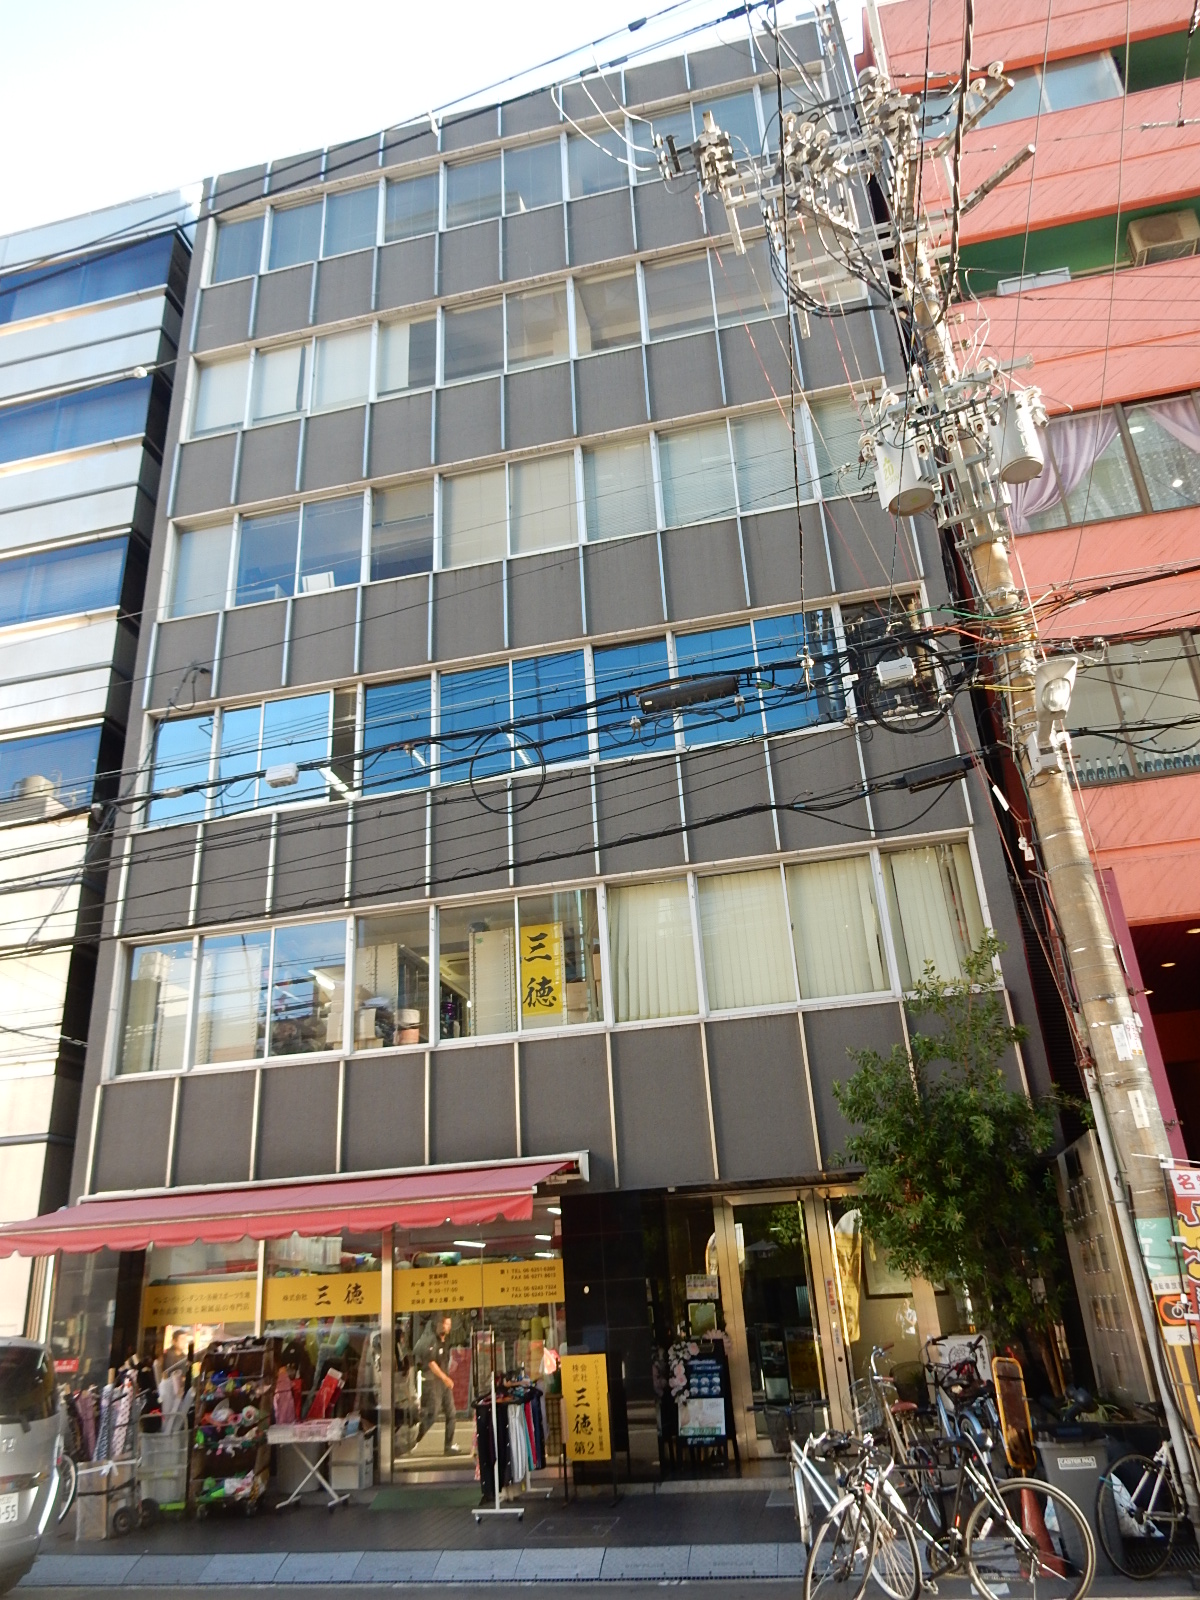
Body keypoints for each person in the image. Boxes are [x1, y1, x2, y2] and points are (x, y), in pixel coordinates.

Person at [413, 1313, 460, 1454]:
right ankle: (415, 1439)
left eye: (449, 1325)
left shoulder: (444, 1341)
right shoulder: (432, 1340)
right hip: (433, 1382)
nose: (447, 1327)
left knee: (451, 1413)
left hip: (444, 1383)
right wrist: (445, 1378)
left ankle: (448, 1446)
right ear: (438, 1324)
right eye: (445, 1324)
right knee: (432, 1415)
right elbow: (431, 1363)